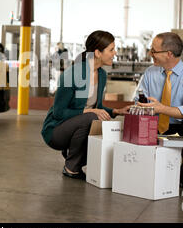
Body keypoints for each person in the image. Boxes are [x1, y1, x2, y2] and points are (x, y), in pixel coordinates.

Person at [41, 31, 130, 180]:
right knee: (92, 116)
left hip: (78, 124)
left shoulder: (101, 74)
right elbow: (59, 113)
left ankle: (73, 155)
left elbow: (97, 107)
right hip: (56, 130)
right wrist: (88, 111)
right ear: (97, 53)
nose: (115, 53)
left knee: (100, 119)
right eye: (111, 49)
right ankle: (71, 167)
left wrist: (117, 111)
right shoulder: (73, 74)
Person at [136, 32, 183, 189]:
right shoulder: (150, 73)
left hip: (178, 127)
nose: (150, 54)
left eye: (153, 51)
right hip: (153, 124)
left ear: (169, 54)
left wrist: (162, 108)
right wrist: (143, 105)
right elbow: (137, 100)